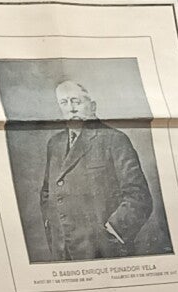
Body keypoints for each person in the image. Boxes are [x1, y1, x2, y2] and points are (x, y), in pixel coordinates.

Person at [37, 76, 153, 260]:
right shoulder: (55, 143)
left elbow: (139, 197)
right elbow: (47, 191)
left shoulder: (114, 139)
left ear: (92, 106)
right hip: (62, 249)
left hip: (102, 249)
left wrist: (112, 231)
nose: (71, 108)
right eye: (64, 103)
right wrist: (51, 225)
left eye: (76, 101)